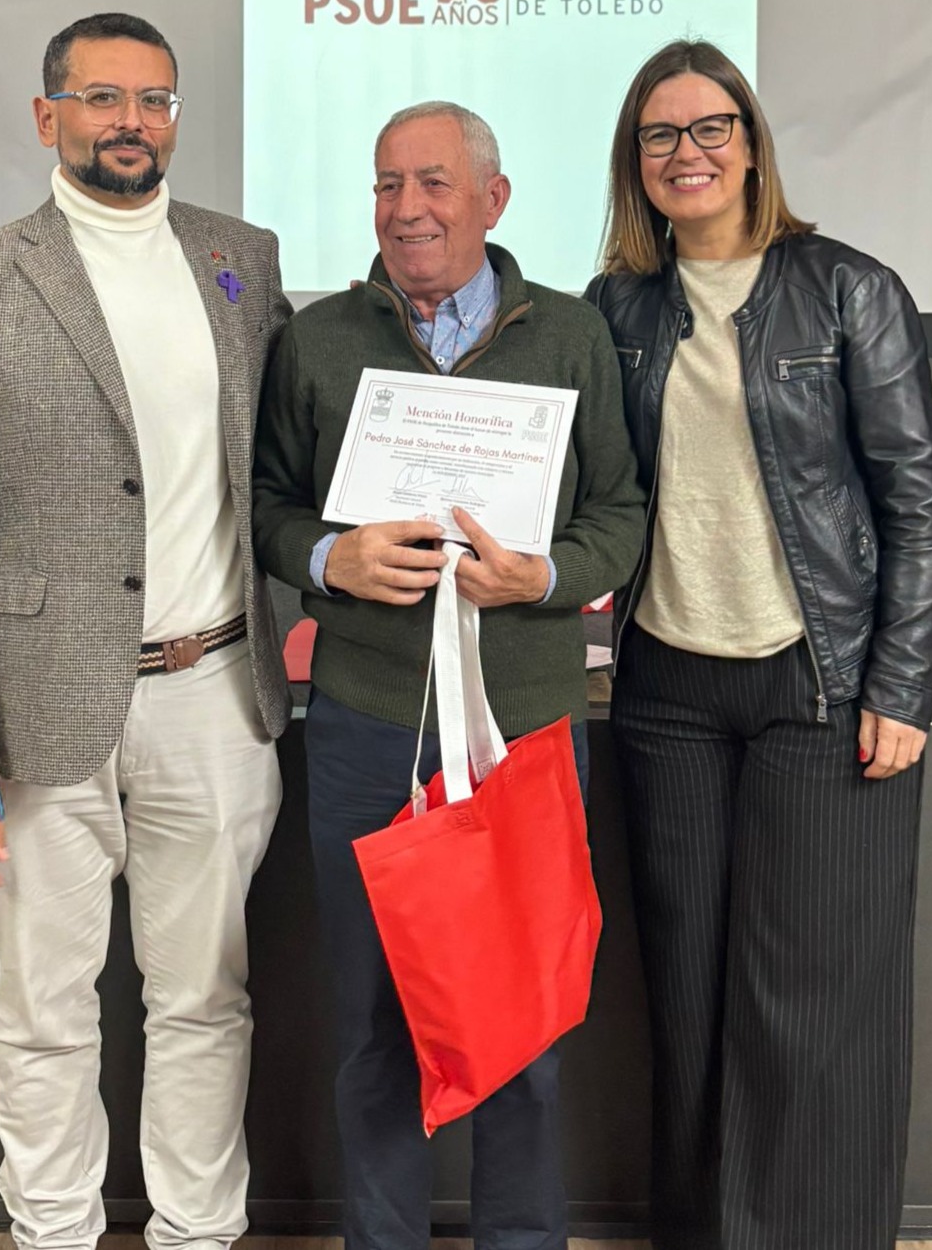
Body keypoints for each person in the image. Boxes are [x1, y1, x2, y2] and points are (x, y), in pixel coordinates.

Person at [0, 12, 292, 1250]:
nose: (132, 122)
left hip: (215, 694)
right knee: (43, 1014)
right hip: (34, 714)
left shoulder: (240, 259)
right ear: (47, 116)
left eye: (154, 100)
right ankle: (54, 1236)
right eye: (103, 98)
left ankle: (196, 1235)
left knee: (205, 1001)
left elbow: (278, 468)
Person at [586, 39, 932, 1250]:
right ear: (634, 162)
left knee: (809, 1001)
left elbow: (918, 508)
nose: (684, 152)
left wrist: (899, 687)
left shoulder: (849, 290)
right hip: (665, 691)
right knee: (688, 992)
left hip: (819, 685)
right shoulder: (617, 307)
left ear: (749, 144)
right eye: (659, 134)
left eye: (710, 128)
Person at [253, 100, 643, 1250]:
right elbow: (268, 505)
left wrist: (543, 575)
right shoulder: (318, 339)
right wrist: (326, 559)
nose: (405, 209)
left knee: (521, 1030)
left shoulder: (568, 335)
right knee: (375, 1029)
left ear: (492, 199)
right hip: (364, 724)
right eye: (386, 185)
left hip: (521, 729)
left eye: (432, 183)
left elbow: (620, 512)